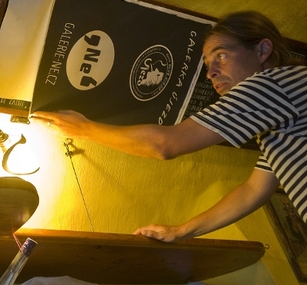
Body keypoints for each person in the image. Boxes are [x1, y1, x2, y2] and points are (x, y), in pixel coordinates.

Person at [33, 11, 306, 243]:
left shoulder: (271, 86)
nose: (211, 73)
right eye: (209, 64)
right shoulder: (281, 106)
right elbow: (253, 191)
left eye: (221, 56)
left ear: (262, 50)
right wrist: (181, 231)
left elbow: (166, 145)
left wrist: (83, 129)